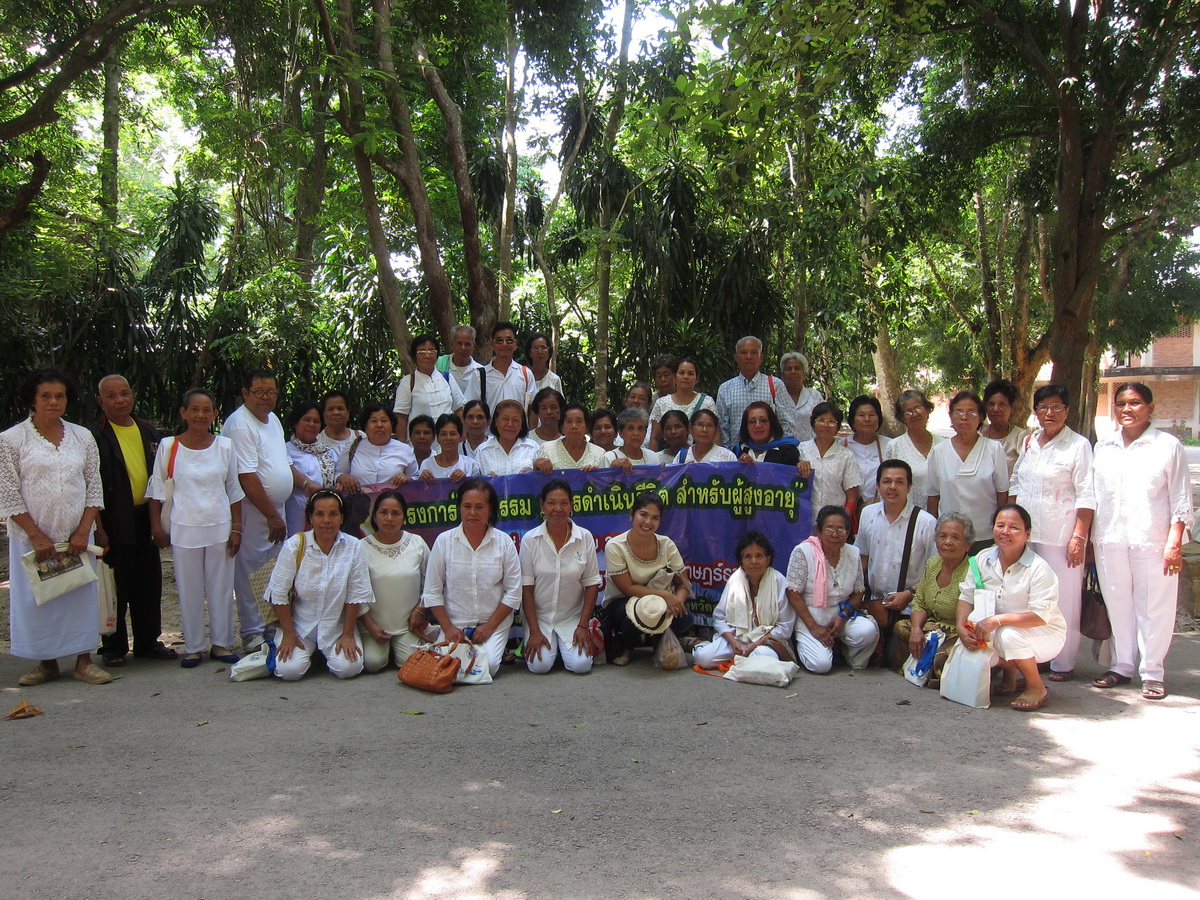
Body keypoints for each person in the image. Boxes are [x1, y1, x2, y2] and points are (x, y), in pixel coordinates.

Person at [0, 369, 109, 686]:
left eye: (59, 395)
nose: (53, 401)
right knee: (41, 598)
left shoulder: (81, 436)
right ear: (32, 399)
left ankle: (84, 662)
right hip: (32, 540)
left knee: (79, 597)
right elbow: (7, 491)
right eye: (46, 395)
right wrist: (35, 535)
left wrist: (82, 530)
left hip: (76, 538)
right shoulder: (11, 440)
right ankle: (46, 663)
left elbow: (93, 486)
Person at [1091, 382, 1193, 700]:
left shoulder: (1167, 446)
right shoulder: (1103, 447)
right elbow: (1094, 497)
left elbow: (1181, 498)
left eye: (1135, 403)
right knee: (1118, 603)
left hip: (1153, 538)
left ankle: (1152, 672)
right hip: (1110, 537)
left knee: (1154, 607)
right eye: (1121, 403)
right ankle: (1122, 665)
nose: (1127, 409)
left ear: (1151, 407)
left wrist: (1175, 542)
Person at [148, 388, 244, 668]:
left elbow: (233, 490)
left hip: (219, 526)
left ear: (215, 414)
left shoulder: (225, 446)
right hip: (184, 526)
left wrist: (236, 528)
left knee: (221, 587)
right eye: (195, 410)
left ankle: (221, 644)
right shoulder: (169, 446)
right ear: (184, 413)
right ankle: (193, 647)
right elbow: (156, 489)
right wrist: (156, 527)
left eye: (207, 410)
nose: (201, 415)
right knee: (189, 588)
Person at [1009, 384, 1095, 681]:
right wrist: (1010, 525)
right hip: (1029, 536)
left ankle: (1065, 662)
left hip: (1062, 537)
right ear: (1035, 411)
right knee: (1033, 599)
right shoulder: (1030, 442)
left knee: (1064, 601)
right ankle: (1040, 654)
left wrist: (1079, 537)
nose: (1050, 412)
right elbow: (1016, 483)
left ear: (1067, 411)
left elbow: (1087, 494)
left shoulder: (1078, 445)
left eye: (1057, 406)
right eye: (1043, 407)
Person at [89, 374, 174, 665]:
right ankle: (113, 647)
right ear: (101, 401)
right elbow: (90, 486)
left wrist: (160, 522)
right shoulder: (93, 436)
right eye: (111, 396)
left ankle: (148, 643)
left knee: (148, 583)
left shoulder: (149, 431)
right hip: (113, 519)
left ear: (133, 395)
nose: (119, 400)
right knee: (115, 585)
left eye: (124, 393)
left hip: (147, 517)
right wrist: (98, 527)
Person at [957, 505, 1066, 711]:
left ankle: (1036, 686)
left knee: (1006, 634)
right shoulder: (982, 558)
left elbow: (1039, 617)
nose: (1005, 532)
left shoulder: (1038, 567)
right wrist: (961, 627)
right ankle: (1011, 674)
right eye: (1000, 525)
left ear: (1028, 534)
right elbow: (966, 596)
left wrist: (998, 620)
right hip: (997, 630)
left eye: (1014, 527)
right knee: (966, 648)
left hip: (1044, 634)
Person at [422, 478, 522, 677]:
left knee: (489, 666)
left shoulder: (504, 543)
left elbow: (513, 593)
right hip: (455, 623)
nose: (472, 512)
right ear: (459, 508)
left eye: (479, 506)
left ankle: (495, 650)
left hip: (492, 623)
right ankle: (442, 637)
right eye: (467, 506)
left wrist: (489, 627)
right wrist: (448, 627)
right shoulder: (444, 541)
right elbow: (432, 592)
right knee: (447, 666)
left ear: (491, 509)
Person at [224, 369, 292, 652]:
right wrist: (271, 515)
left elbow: (283, 463)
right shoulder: (240, 424)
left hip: (276, 508)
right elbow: (246, 476)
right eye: (259, 392)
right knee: (251, 570)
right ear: (245, 393)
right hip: (253, 509)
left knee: (274, 568)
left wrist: (306, 485)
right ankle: (251, 631)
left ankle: (270, 624)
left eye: (271, 392)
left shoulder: (272, 419)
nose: (266, 397)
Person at [268, 491, 370, 680]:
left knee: (349, 668)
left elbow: (355, 594)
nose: (326, 520)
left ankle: (322, 653)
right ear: (310, 517)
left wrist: (347, 634)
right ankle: (306, 651)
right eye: (320, 514)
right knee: (288, 671)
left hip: (335, 627)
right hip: (300, 626)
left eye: (333, 514)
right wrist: (289, 634)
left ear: (342, 518)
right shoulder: (295, 545)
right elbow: (279, 594)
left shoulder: (354, 546)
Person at [855, 460, 937, 661]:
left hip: (909, 607)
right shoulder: (868, 514)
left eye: (899, 482)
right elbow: (861, 557)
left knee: (894, 659)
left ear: (909, 486)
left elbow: (935, 570)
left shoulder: (926, 522)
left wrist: (908, 594)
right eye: (887, 481)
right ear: (878, 485)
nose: (892, 487)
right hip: (874, 603)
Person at [520, 480, 602, 674]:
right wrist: (534, 630)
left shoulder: (585, 537)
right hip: (539, 618)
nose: (558, 508)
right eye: (551, 503)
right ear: (542, 505)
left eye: (564, 503)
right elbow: (526, 589)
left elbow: (591, 584)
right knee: (540, 666)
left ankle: (560, 648)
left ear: (571, 505)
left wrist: (583, 626)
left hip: (572, 617)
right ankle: (551, 648)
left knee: (581, 665)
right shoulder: (530, 540)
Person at [602, 492, 692, 666]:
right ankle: (628, 647)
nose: (648, 522)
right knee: (633, 619)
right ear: (631, 514)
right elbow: (627, 588)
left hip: (660, 604)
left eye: (655, 518)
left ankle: (657, 639)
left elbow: (683, 584)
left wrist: (676, 604)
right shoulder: (615, 546)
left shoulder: (667, 544)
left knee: (685, 619)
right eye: (643, 515)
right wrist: (665, 596)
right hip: (622, 602)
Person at [786, 505, 878, 673]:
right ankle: (809, 644)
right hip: (812, 614)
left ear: (848, 532)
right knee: (821, 665)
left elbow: (859, 591)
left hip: (841, 613)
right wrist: (814, 627)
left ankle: (849, 655)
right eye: (829, 529)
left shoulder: (853, 553)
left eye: (841, 529)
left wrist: (843, 616)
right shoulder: (803, 552)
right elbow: (793, 593)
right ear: (819, 531)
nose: (835, 535)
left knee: (867, 632)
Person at [693, 531, 796, 669]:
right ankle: (700, 645)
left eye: (759, 556)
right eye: (748, 557)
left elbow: (785, 627)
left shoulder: (779, 582)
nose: (753, 561)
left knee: (764, 659)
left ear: (768, 559)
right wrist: (732, 641)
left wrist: (755, 645)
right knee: (703, 658)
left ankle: (746, 661)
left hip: (765, 642)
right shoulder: (735, 580)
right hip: (736, 638)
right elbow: (719, 617)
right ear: (741, 561)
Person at [895, 512, 974, 684]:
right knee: (902, 627)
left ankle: (932, 672)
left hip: (958, 632)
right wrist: (916, 628)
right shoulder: (933, 563)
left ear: (967, 545)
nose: (947, 542)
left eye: (955, 538)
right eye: (943, 536)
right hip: (933, 628)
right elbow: (920, 603)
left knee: (941, 659)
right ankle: (925, 669)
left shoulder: (972, 570)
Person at [358, 490, 430, 672]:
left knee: (410, 662)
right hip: (374, 626)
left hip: (409, 625)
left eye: (395, 513)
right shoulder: (361, 547)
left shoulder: (418, 543)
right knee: (372, 663)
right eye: (383, 512)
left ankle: (400, 647)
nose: (389, 518)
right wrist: (370, 626)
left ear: (404, 517)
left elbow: (433, 583)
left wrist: (420, 609)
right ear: (374, 517)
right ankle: (379, 645)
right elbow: (354, 593)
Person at [926, 391, 1009, 551]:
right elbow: (933, 496)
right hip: (950, 536)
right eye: (959, 412)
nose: (964, 417)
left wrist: (1000, 529)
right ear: (951, 416)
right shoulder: (939, 451)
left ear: (980, 417)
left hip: (985, 534)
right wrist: (935, 533)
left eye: (971, 412)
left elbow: (1002, 493)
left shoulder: (993, 449)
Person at [716, 335, 789, 447]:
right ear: (736, 357)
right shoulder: (725, 388)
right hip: (737, 457)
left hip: (770, 456)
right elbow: (722, 428)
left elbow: (786, 422)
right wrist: (729, 454)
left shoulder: (775, 385)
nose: (748, 357)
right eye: (743, 353)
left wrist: (784, 451)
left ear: (761, 357)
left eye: (754, 352)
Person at [797, 403, 861, 527]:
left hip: (833, 525)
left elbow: (852, 496)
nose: (825, 425)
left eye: (831, 421)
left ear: (837, 427)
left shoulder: (846, 456)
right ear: (813, 425)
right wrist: (797, 464)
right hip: (803, 522)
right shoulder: (800, 450)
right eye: (821, 420)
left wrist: (844, 520)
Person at [394, 334, 464, 441]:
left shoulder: (447, 378)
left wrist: (462, 438)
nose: (427, 356)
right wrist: (402, 447)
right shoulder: (408, 382)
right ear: (414, 356)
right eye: (422, 352)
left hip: (449, 442)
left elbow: (459, 409)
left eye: (431, 351)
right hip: (420, 444)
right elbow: (401, 417)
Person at [334, 403, 418, 490]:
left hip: (394, 501)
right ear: (365, 426)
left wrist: (407, 479)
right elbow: (338, 474)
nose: (379, 425)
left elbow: (416, 478)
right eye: (374, 421)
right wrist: (342, 478)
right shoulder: (353, 447)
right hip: (358, 501)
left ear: (392, 424)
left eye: (384, 421)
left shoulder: (405, 450)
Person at [285, 401, 338, 536]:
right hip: (293, 515)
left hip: (323, 518)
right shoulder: (284, 450)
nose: (312, 424)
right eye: (306, 420)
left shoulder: (328, 453)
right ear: (295, 423)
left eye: (316, 421)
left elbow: (337, 476)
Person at [884, 389, 942, 509]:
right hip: (908, 518)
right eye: (908, 411)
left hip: (943, 517)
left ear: (927, 409)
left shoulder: (944, 445)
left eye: (918, 408)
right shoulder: (894, 447)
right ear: (902, 418)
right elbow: (886, 485)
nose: (914, 414)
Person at [462, 321, 536, 413]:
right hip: (489, 428)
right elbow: (470, 409)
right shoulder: (479, 376)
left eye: (509, 340)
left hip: (519, 427)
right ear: (492, 344)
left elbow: (533, 410)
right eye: (499, 340)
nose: (504, 344)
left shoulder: (526, 374)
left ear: (515, 344)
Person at [648, 358, 716, 451]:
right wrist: (653, 463)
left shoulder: (707, 402)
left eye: (690, 373)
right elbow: (655, 438)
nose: (685, 377)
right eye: (681, 373)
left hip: (700, 458)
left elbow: (715, 436)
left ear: (697, 379)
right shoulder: (661, 403)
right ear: (675, 376)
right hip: (668, 460)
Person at [842, 395, 888, 508]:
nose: (867, 419)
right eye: (861, 415)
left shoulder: (889, 445)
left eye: (872, 415)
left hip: (881, 508)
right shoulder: (842, 446)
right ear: (853, 421)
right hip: (847, 510)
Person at [534, 403, 608, 471]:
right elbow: (538, 480)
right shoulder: (546, 449)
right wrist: (536, 467)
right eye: (569, 421)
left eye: (579, 421)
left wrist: (596, 474)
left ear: (587, 427)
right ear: (562, 427)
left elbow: (605, 482)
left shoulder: (599, 453)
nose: (574, 426)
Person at [475, 398, 540, 476]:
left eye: (515, 420)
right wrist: (487, 481)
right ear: (496, 421)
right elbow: (474, 483)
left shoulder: (532, 448)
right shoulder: (482, 451)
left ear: (522, 424)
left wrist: (533, 474)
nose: (510, 424)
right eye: (505, 419)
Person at [980, 379, 1030, 476]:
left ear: (1011, 408)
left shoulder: (1021, 438)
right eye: (991, 404)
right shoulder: (977, 436)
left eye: (1001, 404)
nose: (995, 409)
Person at [777, 351, 823, 442]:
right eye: (789, 369)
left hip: (811, 451)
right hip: (783, 450)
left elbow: (823, 423)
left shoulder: (815, 396)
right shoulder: (775, 396)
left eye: (797, 368)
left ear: (804, 373)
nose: (793, 372)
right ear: (783, 374)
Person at [734, 401, 800, 465]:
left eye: (763, 420)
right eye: (752, 421)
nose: (758, 425)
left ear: (772, 424)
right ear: (746, 427)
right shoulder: (738, 450)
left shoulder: (788, 452)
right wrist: (738, 465)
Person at [419, 414, 480, 482]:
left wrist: (466, 481)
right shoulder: (427, 464)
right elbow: (421, 491)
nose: (448, 438)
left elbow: (477, 490)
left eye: (453, 434)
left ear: (460, 437)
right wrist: (421, 481)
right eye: (443, 434)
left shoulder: (471, 465)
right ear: (437, 438)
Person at [668, 408, 738, 464]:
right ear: (690, 428)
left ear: (716, 430)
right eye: (700, 425)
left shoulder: (727, 456)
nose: (704, 430)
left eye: (709, 426)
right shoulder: (682, 456)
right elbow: (675, 479)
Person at [436, 324, 485, 397]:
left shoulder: (480, 371)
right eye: (459, 343)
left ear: (473, 346)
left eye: (467, 344)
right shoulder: (439, 364)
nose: (463, 348)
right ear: (452, 345)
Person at [315, 390, 362, 457]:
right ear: (323, 414)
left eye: (340, 408)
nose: (336, 413)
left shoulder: (360, 438)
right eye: (330, 409)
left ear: (348, 413)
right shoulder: (316, 441)